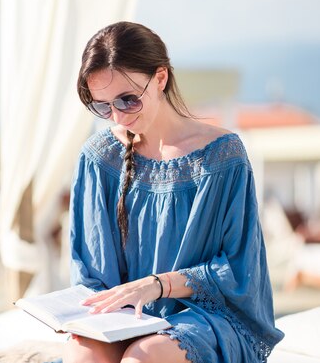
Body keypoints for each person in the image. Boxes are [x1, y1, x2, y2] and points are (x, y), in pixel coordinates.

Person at [65, 21, 284, 363]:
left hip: (208, 315)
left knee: (143, 357)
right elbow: (91, 271)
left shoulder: (221, 156)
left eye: (128, 100)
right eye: (103, 106)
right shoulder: (99, 158)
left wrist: (157, 285)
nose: (118, 117)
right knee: (84, 354)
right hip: (124, 316)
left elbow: (239, 269)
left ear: (161, 79)